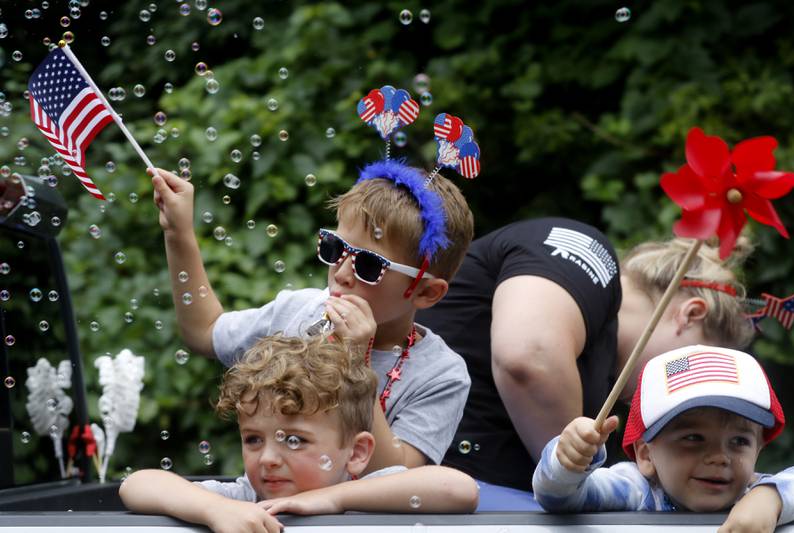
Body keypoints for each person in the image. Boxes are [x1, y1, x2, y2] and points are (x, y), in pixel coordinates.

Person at [149, 159, 474, 473]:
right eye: (335, 248)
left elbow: (397, 475)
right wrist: (179, 233)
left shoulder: (441, 374)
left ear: (426, 293)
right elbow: (204, 331)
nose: (342, 273)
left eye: (369, 265)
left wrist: (356, 363)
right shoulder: (299, 312)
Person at [416, 218, 755, 493]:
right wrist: (575, 477)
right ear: (691, 314)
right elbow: (529, 355)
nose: (695, 392)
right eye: (693, 362)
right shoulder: (588, 250)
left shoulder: (597, 377)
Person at [120, 335, 479, 532]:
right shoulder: (246, 498)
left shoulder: (365, 492)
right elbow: (135, 484)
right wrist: (214, 510)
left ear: (355, 454)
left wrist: (334, 499)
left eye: (294, 439)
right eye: (253, 439)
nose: (268, 459)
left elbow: (458, 489)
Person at [533, 344, 794, 532]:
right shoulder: (637, 489)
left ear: (758, 450)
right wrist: (567, 459)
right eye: (694, 437)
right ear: (646, 455)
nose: (720, 457)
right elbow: (558, 497)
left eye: (740, 441)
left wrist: (771, 498)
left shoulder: (753, 492)